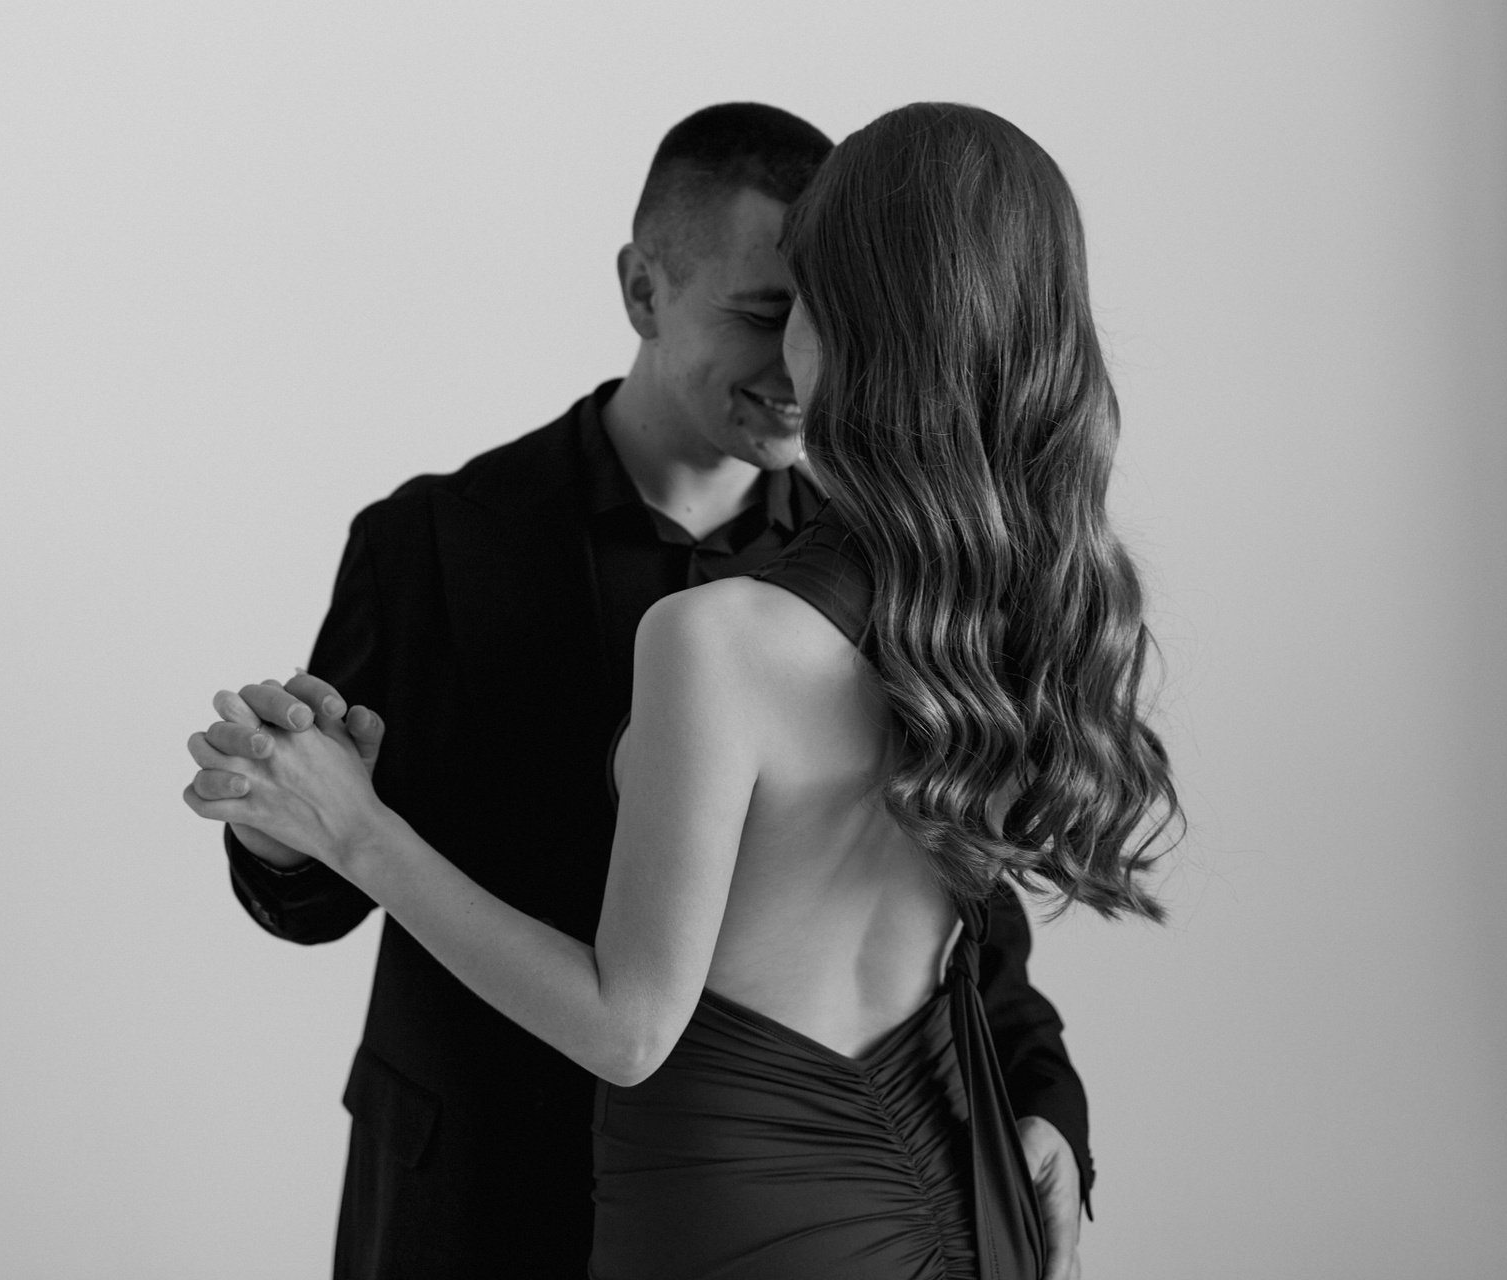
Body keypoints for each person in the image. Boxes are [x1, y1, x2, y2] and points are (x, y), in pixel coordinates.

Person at [184, 103, 1110, 1279]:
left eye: (821, 308)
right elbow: (316, 889)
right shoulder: (432, 540)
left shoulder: (910, 581)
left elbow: (971, 913)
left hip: (754, 1200)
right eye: (761, 312)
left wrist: (1048, 1102)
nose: (794, 362)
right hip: (474, 1195)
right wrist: (287, 830)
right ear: (642, 290)